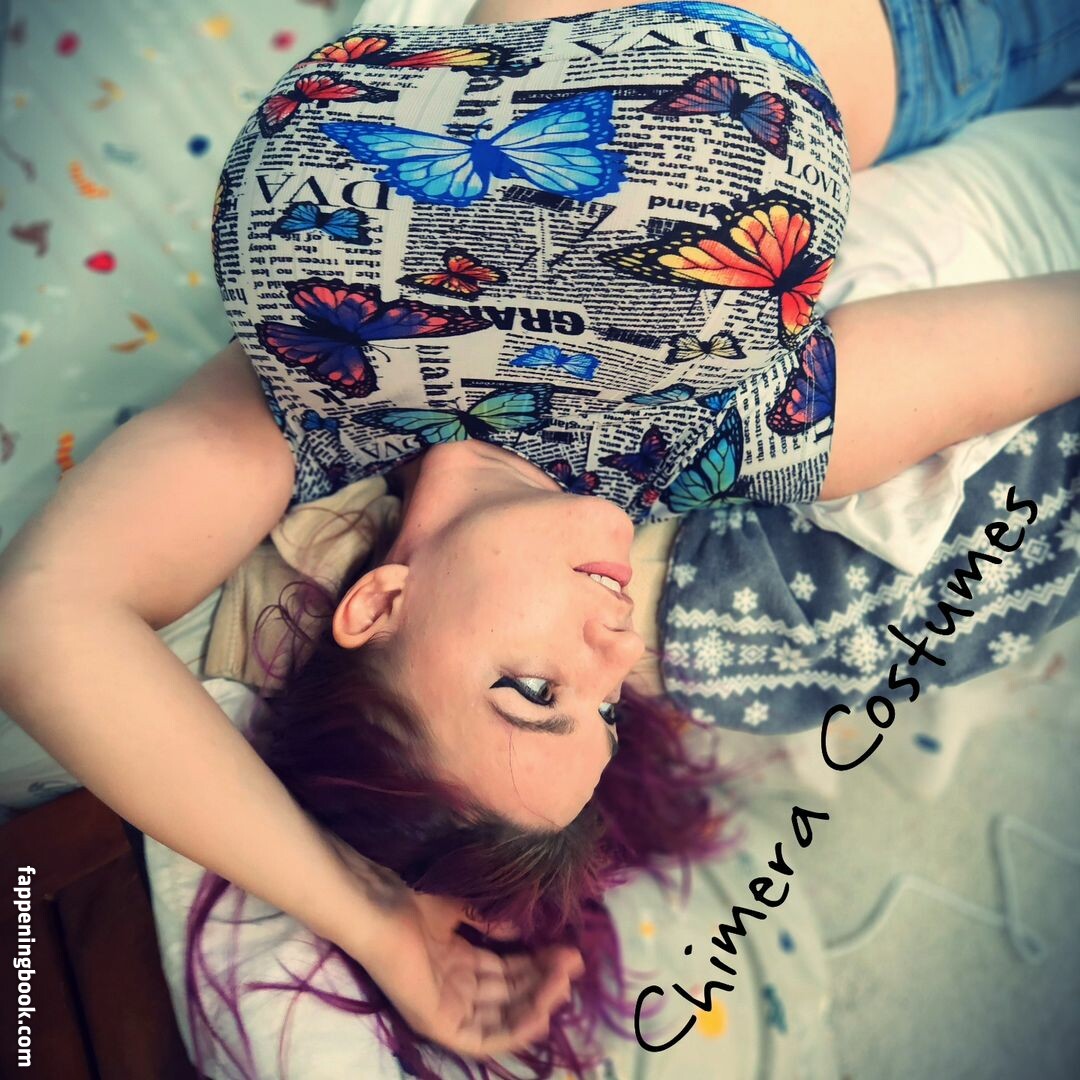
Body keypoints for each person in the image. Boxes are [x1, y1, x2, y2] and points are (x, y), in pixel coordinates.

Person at [0, 0, 1077, 1076]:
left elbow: (44, 623)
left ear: (380, 602)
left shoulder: (327, 383)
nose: (616, 652)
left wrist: (373, 919)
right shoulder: (714, 437)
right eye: (602, 711)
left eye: (532, 690)